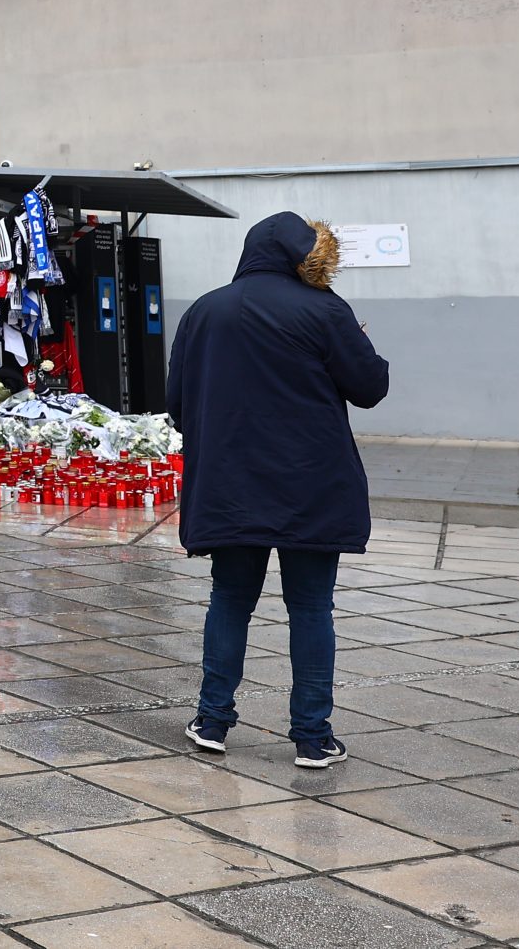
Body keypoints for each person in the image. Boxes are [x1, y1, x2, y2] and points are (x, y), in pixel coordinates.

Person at [169, 213, 390, 770]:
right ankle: (313, 736)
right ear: (303, 256)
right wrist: (362, 343)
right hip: (310, 482)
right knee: (311, 607)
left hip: (229, 484)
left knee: (230, 598)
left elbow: (177, 403)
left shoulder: (203, 311)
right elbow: (370, 387)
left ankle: (212, 720)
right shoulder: (325, 309)